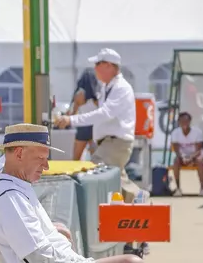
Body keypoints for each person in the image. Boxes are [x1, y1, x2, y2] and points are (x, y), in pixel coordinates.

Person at [0, 123, 142, 263]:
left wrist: (48, 228)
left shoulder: (9, 176)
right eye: (41, 158)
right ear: (19, 154)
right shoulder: (10, 197)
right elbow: (40, 257)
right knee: (131, 261)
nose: (46, 166)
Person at [55, 48, 144, 254]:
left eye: (98, 64)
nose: (94, 68)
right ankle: (137, 226)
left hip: (115, 144)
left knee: (93, 178)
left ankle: (127, 219)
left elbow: (104, 114)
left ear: (109, 66)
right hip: (110, 143)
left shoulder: (120, 88)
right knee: (119, 185)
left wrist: (71, 119)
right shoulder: (109, 87)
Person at [171, 112, 203, 196]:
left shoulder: (197, 132)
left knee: (200, 161)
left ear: (190, 121)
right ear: (179, 122)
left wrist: (190, 158)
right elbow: (176, 149)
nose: (184, 123)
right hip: (182, 156)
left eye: (186, 121)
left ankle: (202, 189)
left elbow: (199, 150)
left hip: (196, 155)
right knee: (176, 161)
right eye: (182, 121)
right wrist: (182, 157)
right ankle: (178, 189)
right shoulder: (175, 133)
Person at [68, 68, 99, 160]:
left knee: (76, 158)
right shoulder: (97, 97)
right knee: (96, 159)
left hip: (82, 127)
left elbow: (73, 113)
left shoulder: (79, 96)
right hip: (94, 128)